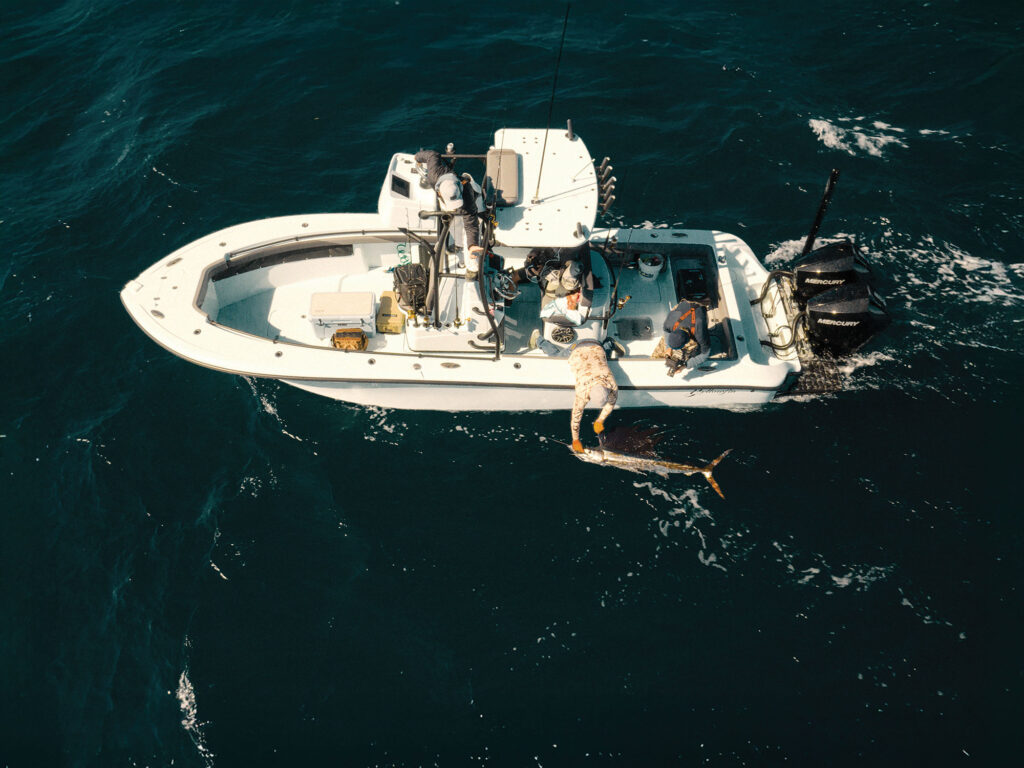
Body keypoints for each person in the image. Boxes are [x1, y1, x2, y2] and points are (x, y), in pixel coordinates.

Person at [413, 149, 482, 250]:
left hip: (472, 198)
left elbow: (470, 219)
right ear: (439, 192)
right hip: (449, 195)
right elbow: (432, 155)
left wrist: (472, 245)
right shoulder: (433, 175)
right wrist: (418, 157)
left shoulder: (466, 190)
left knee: (469, 218)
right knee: (455, 221)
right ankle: (459, 244)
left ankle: (463, 244)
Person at [568, 340, 618, 453]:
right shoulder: (583, 390)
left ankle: (609, 344)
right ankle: (540, 341)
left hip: (589, 347)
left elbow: (611, 402)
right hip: (584, 347)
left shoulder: (611, 384)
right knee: (558, 355)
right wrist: (575, 440)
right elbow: (575, 418)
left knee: (604, 354)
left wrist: (600, 420)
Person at [662, 299, 711, 375]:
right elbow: (666, 330)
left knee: (700, 347)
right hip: (686, 302)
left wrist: (685, 366)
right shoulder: (669, 324)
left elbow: (705, 354)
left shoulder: (699, 333)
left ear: (687, 341)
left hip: (700, 308)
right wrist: (668, 348)